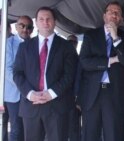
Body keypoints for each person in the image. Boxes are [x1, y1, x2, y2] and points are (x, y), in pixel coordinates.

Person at [13, 7, 78, 141]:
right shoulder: (24, 47)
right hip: (31, 105)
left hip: (58, 105)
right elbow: (17, 74)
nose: (45, 22)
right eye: (41, 19)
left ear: (55, 22)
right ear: (36, 22)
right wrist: (30, 94)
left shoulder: (66, 47)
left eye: (49, 19)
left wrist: (51, 93)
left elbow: (69, 75)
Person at [78, 1, 124, 141]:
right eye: (111, 11)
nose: (114, 14)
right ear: (104, 16)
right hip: (92, 94)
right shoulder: (91, 36)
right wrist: (110, 61)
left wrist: (116, 37)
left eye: (118, 13)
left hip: (115, 95)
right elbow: (85, 62)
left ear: (121, 19)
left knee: (114, 135)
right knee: (90, 135)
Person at [4, 15, 33, 141]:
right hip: (14, 94)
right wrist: (24, 87)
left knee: (29, 127)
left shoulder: (35, 44)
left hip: (30, 94)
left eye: (29, 27)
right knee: (16, 128)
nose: (25, 29)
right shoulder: (8, 43)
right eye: (22, 25)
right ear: (16, 26)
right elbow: (7, 69)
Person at [67, 34, 81, 141]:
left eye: (74, 42)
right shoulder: (60, 56)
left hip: (74, 100)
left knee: (74, 129)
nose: (72, 44)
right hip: (60, 99)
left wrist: (78, 100)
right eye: (69, 42)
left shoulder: (80, 59)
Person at [1, 20, 14, 141]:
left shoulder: (15, 42)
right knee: (2, 123)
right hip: (2, 92)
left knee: (15, 125)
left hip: (12, 91)